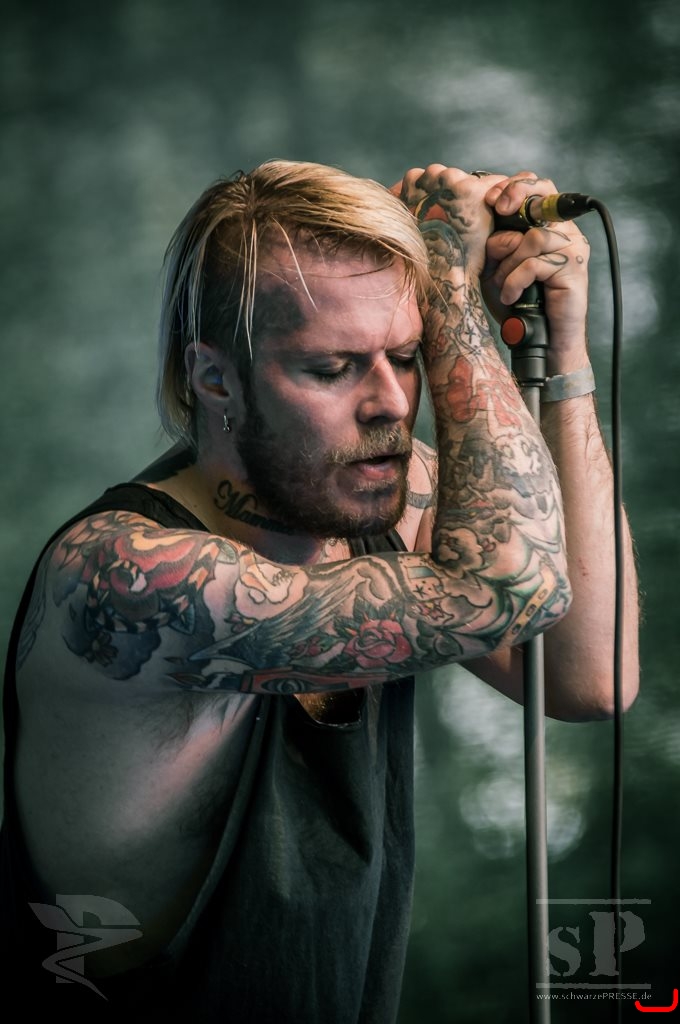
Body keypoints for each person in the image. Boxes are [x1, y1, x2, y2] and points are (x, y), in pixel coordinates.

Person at [0, 160, 638, 1021]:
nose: (390, 404)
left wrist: (564, 359)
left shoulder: (383, 492)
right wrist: (453, 296)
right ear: (216, 378)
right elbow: (504, 589)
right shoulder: (123, 579)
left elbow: (590, 674)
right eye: (333, 368)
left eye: (406, 356)